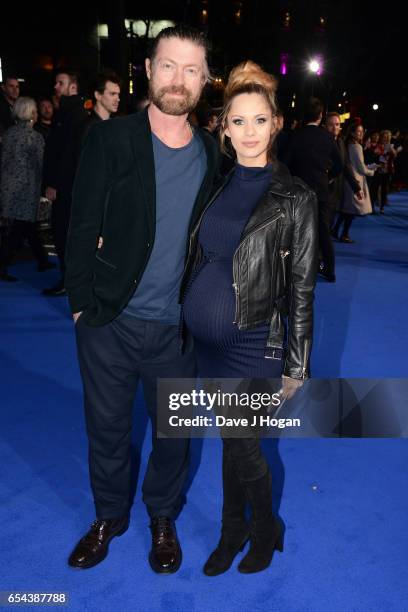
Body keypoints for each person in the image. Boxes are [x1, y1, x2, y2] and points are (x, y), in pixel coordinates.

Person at [64, 25, 218, 573]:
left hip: (177, 333)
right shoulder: (110, 138)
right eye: (169, 66)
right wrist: (81, 306)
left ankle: (162, 517)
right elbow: (80, 225)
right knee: (106, 431)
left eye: (191, 69)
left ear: (204, 82)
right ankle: (108, 516)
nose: (179, 80)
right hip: (110, 322)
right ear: (148, 71)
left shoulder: (212, 155)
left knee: (174, 438)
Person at [181, 61, 318, 575]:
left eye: (259, 120)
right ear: (223, 129)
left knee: (241, 442)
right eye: (237, 121)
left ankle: (259, 530)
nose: (249, 132)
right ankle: (234, 528)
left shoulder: (295, 199)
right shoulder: (215, 185)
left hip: (259, 344)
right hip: (212, 347)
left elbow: (302, 289)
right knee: (234, 444)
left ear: (276, 123)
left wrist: (297, 365)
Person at [283, 97, 342, 282]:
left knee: (298, 232)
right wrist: (328, 177)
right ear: (321, 115)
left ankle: (299, 270)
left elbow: (285, 163)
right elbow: (339, 165)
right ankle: (330, 270)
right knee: (323, 232)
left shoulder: (296, 136)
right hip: (321, 190)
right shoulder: (327, 137)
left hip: (299, 192)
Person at [42, 70, 88, 296]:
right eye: (56, 83)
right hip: (67, 186)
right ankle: (68, 278)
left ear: (73, 87)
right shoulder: (67, 112)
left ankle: (68, 280)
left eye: (61, 83)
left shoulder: (72, 114)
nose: (56, 87)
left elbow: (65, 153)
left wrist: (54, 183)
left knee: (63, 232)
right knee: (62, 232)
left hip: (66, 188)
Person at [0, 97, 54, 278]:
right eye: (36, 111)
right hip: (26, 189)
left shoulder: (8, 134)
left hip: (8, 188)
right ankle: (2, 264)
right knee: (21, 227)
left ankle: (42, 260)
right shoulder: (35, 137)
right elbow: (41, 165)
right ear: (31, 113)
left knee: (27, 226)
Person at [332, 122, 376, 241]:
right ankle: (344, 234)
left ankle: (336, 230)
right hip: (355, 180)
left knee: (347, 209)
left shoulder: (347, 144)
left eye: (362, 131)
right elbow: (361, 168)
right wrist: (372, 170)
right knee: (352, 210)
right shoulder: (356, 146)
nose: (361, 134)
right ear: (352, 133)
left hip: (348, 179)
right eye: (358, 131)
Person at [324, 112, 362, 232]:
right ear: (325, 126)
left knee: (329, 223)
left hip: (336, 189)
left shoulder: (340, 142)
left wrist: (356, 187)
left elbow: (345, 165)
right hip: (323, 189)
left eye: (337, 124)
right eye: (331, 124)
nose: (335, 127)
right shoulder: (321, 141)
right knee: (323, 225)